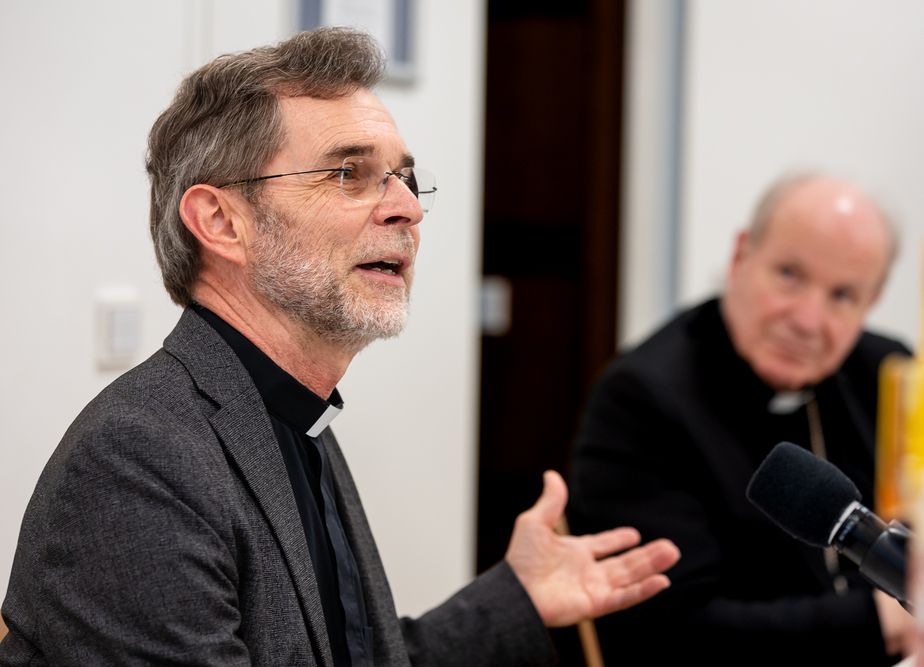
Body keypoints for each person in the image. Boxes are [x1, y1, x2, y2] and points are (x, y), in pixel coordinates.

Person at [0, 27, 679, 667]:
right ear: (221, 221)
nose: (407, 208)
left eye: (404, 177)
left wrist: (518, 599)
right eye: (349, 173)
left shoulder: (294, 416)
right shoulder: (139, 460)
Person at [568, 175, 915, 666]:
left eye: (842, 296)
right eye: (790, 274)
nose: (807, 321)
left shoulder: (889, 372)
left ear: (870, 304)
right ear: (741, 257)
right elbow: (677, 631)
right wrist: (885, 620)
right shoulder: (641, 401)